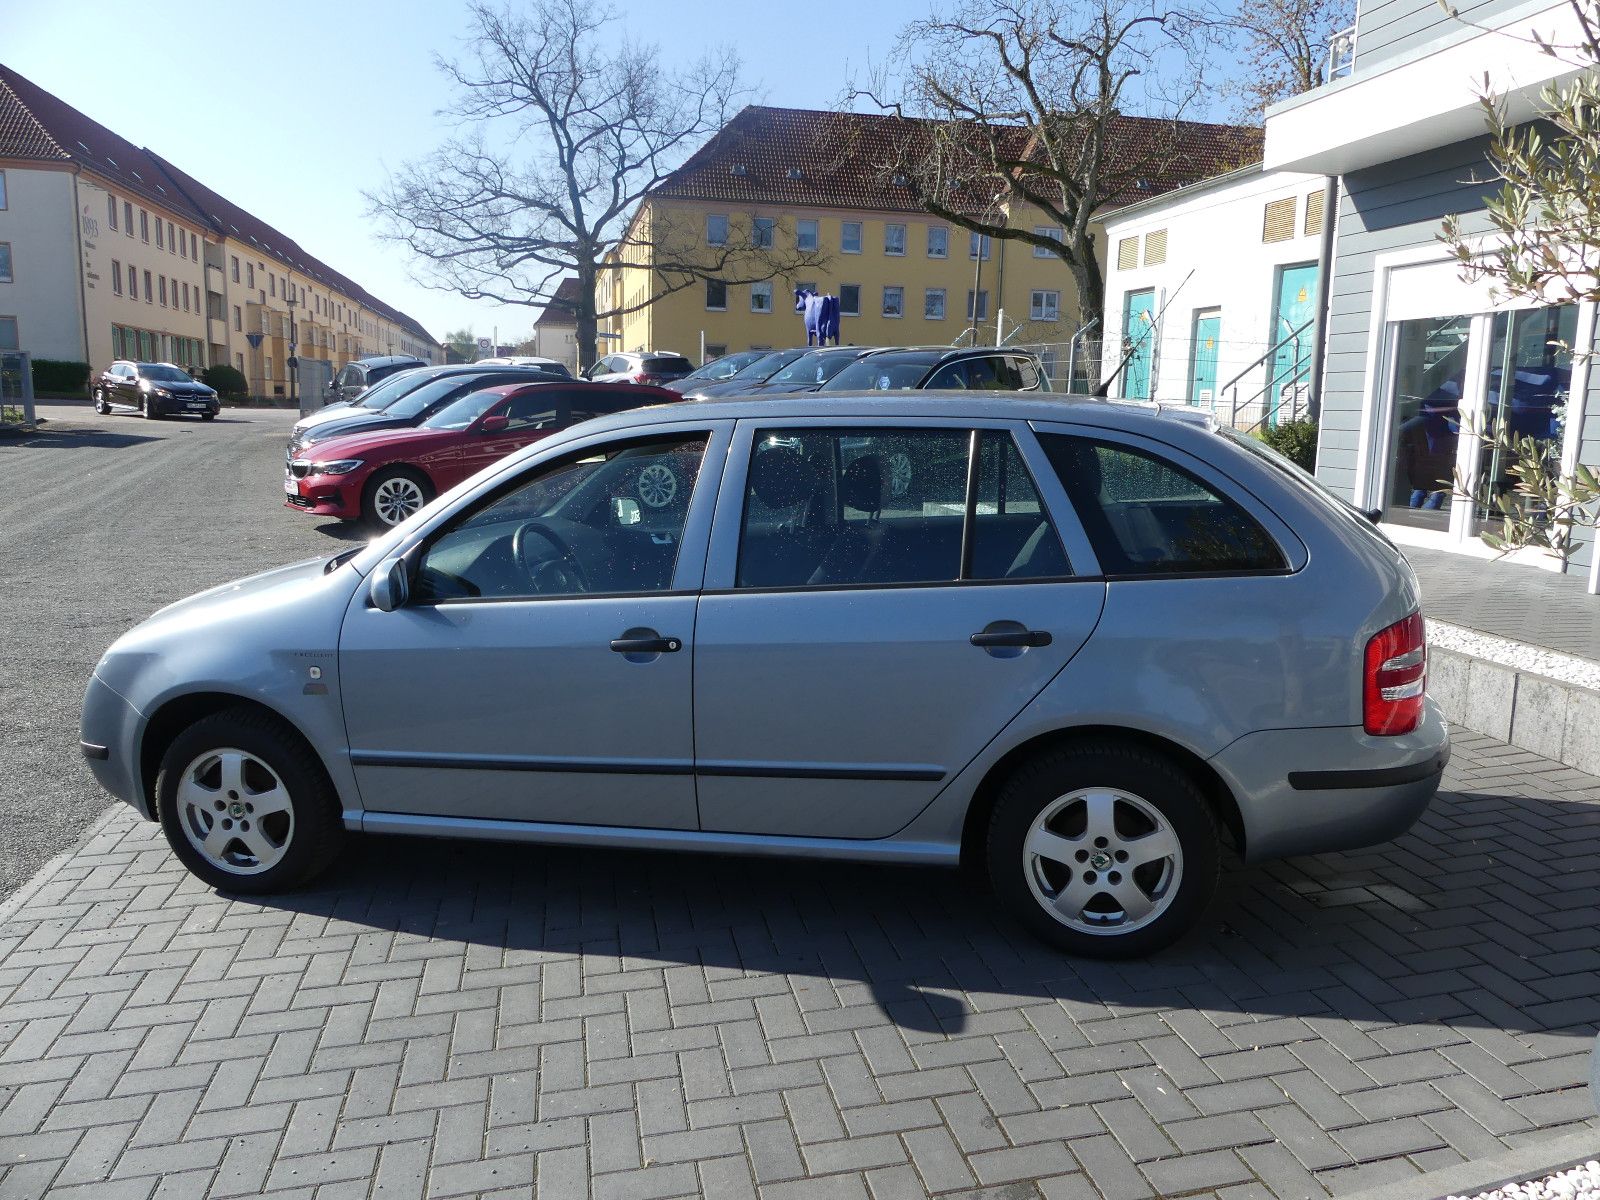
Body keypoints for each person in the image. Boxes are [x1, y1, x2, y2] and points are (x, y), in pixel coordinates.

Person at [1397, 382, 1460, 509]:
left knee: (1427, 486)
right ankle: (1425, 497)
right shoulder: (1442, 387)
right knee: (1428, 484)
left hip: (1438, 441)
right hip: (1436, 441)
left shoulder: (1437, 387)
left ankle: (1428, 498)